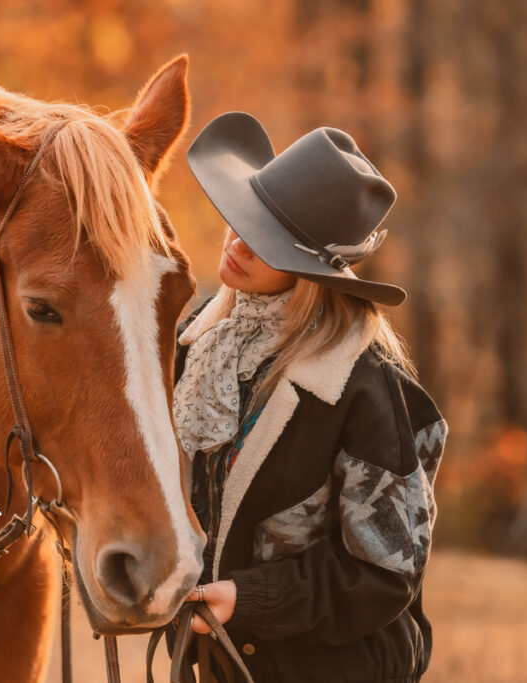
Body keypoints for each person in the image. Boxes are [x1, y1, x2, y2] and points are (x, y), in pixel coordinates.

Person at [168, 112, 448, 682]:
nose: (238, 241)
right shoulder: (199, 341)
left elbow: (384, 576)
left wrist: (250, 599)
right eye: (243, 216)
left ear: (311, 272)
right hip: (216, 662)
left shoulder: (368, 389)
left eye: (265, 238)